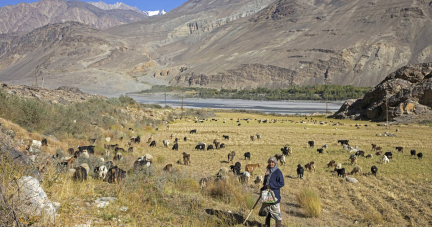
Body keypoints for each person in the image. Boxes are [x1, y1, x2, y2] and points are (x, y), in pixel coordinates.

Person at [260, 156, 285, 227]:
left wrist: (271, 185)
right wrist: (263, 189)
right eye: (270, 162)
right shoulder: (267, 171)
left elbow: (281, 183)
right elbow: (265, 182)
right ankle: (267, 225)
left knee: (276, 213)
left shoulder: (278, 172)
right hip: (266, 194)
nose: (271, 163)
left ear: (275, 163)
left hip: (275, 195)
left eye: (272, 162)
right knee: (267, 211)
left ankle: (278, 226)